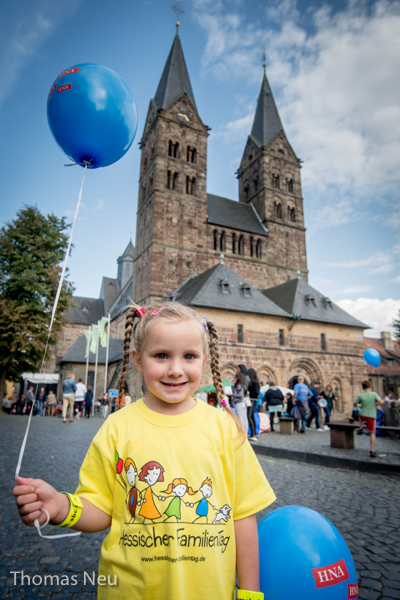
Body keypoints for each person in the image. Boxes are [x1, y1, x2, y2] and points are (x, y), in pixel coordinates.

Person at [13, 302, 276, 600]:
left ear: (204, 360)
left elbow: (242, 516)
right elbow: (102, 508)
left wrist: (251, 593)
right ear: (138, 359)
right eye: (161, 355)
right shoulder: (117, 427)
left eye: (189, 356)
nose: (175, 370)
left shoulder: (225, 428)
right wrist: (62, 507)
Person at [354, 380, 384, 458]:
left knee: (361, 416)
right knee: (372, 433)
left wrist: (361, 406)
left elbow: (355, 404)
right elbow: (381, 402)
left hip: (363, 414)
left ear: (363, 388)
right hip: (371, 415)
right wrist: (378, 404)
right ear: (371, 387)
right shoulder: (374, 394)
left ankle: (360, 428)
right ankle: (372, 450)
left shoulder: (361, 395)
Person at [247, 368, 260, 441]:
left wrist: (249, 393)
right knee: (251, 416)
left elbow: (256, 393)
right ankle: (253, 433)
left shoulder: (255, 382)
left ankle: (253, 433)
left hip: (253, 400)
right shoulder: (253, 381)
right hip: (251, 400)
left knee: (249, 416)